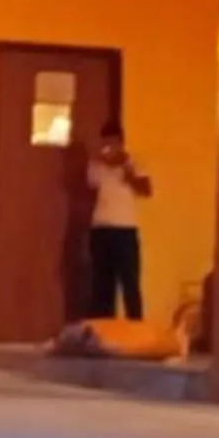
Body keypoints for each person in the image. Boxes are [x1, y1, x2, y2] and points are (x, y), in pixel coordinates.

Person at [85, 123, 152, 322]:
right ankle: (101, 329)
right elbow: (90, 184)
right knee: (102, 283)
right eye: (105, 142)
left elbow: (146, 191)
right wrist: (103, 161)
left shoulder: (135, 161)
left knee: (130, 282)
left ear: (121, 143)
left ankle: (137, 329)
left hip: (126, 229)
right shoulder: (96, 164)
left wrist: (127, 168)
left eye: (113, 142)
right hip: (101, 228)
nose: (109, 147)